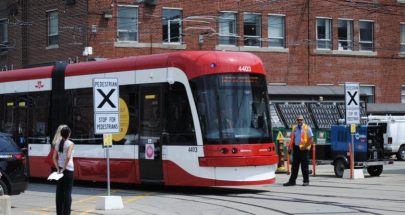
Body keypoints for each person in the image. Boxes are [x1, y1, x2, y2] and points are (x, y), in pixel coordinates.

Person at [283, 115, 313, 186]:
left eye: (301, 120)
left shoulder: (307, 128)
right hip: (296, 149)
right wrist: (290, 148)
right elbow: (292, 139)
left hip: (304, 149)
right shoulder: (294, 128)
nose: (300, 121)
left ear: (303, 120)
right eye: (298, 120)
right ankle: (292, 181)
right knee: (294, 166)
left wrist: (305, 146)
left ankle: (306, 181)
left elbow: (311, 139)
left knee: (304, 166)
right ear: (297, 120)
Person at [52, 126, 74, 215]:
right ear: (68, 134)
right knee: (68, 192)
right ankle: (66, 213)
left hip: (59, 169)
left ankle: (59, 212)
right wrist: (64, 168)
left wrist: (58, 168)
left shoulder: (57, 143)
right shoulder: (70, 143)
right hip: (68, 169)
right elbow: (68, 157)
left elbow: (54, 158)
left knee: (59, 192)